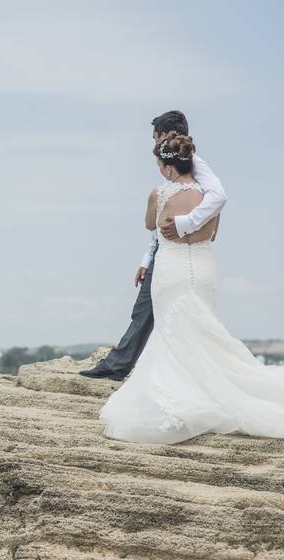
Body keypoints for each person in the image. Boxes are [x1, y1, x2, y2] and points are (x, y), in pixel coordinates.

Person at [98, 132, 284, 444]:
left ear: (167, 167)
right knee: (203, 328)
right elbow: (211, 235)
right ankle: (212, 387)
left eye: (160, 164)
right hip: (202, 269)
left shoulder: (158, 194)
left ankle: (184, 393)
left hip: (171, 269)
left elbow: (150, 224)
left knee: (171, 330)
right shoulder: (208, 196)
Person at [80, 111, 227, 381]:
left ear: (166, 136)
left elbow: (218, 196)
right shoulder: (175, 169)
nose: (151, 144)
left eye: (155, 137)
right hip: (172, 250)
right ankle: (125, 364)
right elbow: (160, 223)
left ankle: (122, 366)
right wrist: (147, 260)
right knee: (152, 310)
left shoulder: (192, 164)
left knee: (162, 310)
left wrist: (185, 224)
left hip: (181, 251)